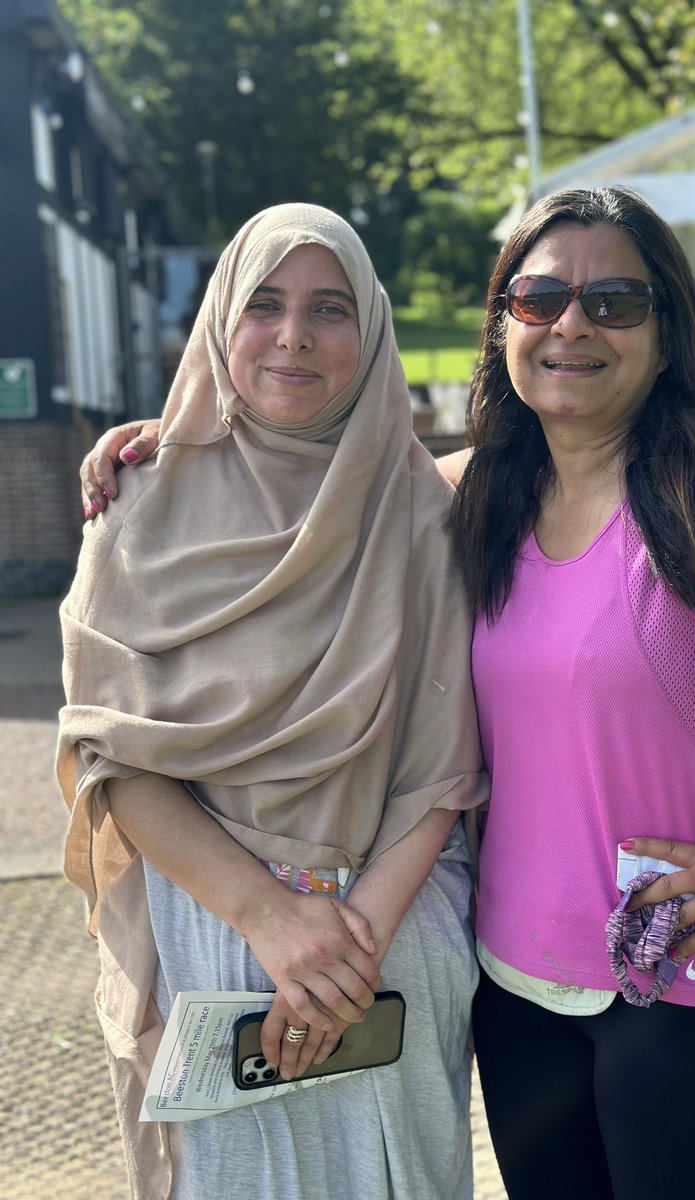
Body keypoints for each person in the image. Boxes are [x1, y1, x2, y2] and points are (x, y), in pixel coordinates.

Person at [80, 188, 695, 1200]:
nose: (571, 325)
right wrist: (178, 444)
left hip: (692, 1000)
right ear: (503, 319)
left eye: (614, 301)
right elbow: (318, 471)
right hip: (517, 1007)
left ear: (667, 327)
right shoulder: (468, 494)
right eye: (541, 295)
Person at [59, 203, 488, 1200]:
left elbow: (444, 770)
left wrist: (349, 947)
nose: (293, 335)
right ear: (220, 320)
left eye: (329, 308)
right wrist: (269, 920)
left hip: (391, 937)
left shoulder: (422, 512)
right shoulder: (137, 503)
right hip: (208, 929)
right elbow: (114, 758)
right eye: (264, 304)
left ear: (371, 331)